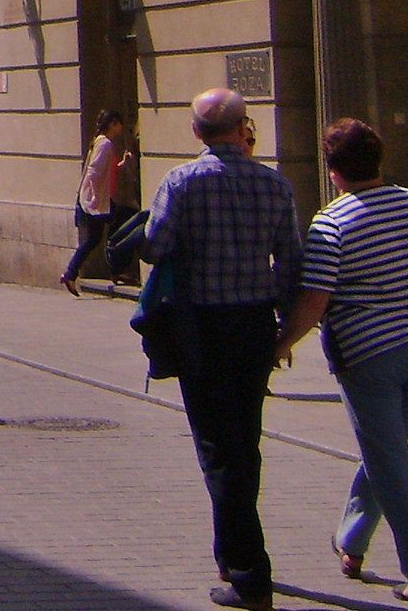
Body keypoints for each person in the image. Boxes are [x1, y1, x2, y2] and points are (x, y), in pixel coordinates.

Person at [274, 120, 408, 610]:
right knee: (386, 450)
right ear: (378, 161)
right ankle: (352, 542)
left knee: (389, 461)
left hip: (367, 352)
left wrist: (281, 342)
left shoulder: (332, 221)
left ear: (333, 171)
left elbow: (316, 297)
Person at [140, 88, 302, 611]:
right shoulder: (274, 183)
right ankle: (230, 554)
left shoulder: (180, 182)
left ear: (196, 133)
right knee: (244, 441)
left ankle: (251, 574)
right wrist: (283, 325)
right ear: (241, 127)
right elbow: (292, 262)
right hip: (254, 325)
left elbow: (153, 247)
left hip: (200, 328)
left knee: (217, 447)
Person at [60, 110, 136, 295]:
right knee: (127, 221)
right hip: (97, 202)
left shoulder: (100, 142)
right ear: (112, 124)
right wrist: (94, 197)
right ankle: (117, 269)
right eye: (118, 124)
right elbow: (93, 171)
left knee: (96, 238)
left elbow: (104, 171)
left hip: (100, 200)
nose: (121, 128)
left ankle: (71, 274)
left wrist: (122, 164)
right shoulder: (105, 143)